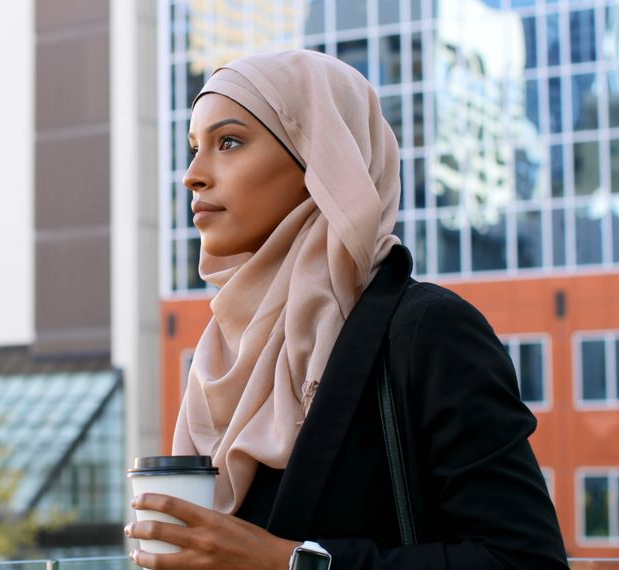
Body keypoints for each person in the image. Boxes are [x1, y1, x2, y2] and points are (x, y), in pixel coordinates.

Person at [126, 49, 569, 569]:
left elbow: (526, 561)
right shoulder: (223, 352)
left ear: (322, 160)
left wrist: (297, 564)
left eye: (229, 142)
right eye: (194, 148)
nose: (193, 176)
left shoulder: (428, 332)